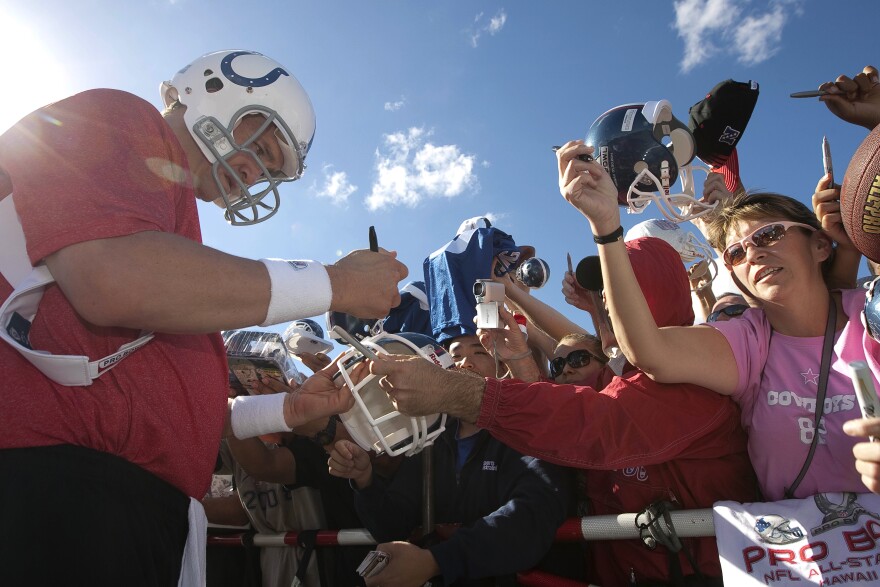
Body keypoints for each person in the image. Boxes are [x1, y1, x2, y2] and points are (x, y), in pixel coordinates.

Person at [0, 49, 406, 586]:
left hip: (125, 494)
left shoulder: (173, 227)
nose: (258, 173)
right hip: (65, 479)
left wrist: (284, 409)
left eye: (273, 170)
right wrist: (337, 282)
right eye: (260, 146)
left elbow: (172, 409)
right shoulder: (123, 117)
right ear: (217, 91)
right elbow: (112, 277)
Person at [356, 237, 756, 586]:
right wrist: (517, 348)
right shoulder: (619, 378)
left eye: (619, 290)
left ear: (654, 296)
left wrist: (455, 392)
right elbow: (554, 419)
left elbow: (587, 422)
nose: (607, 302)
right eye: (605, 292)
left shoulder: (692, 385)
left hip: (697, 576)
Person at [552, 125, 880, 503]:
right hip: (805, 555)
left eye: (769, 234)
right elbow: (651, 349)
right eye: (736, 253)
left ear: (821, 244)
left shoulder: (869, 315)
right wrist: (606, 225)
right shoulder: (750, 341)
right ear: (736, 277)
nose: (753, 253)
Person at [328, 332, 578, 587]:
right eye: (455, 355)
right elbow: (393, 527)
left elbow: (533, 513)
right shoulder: (431, 442)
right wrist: (364, 480)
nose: (464, 363)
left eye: (478, 353)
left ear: (502, 367)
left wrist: (438, 560)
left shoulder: (525, 430)